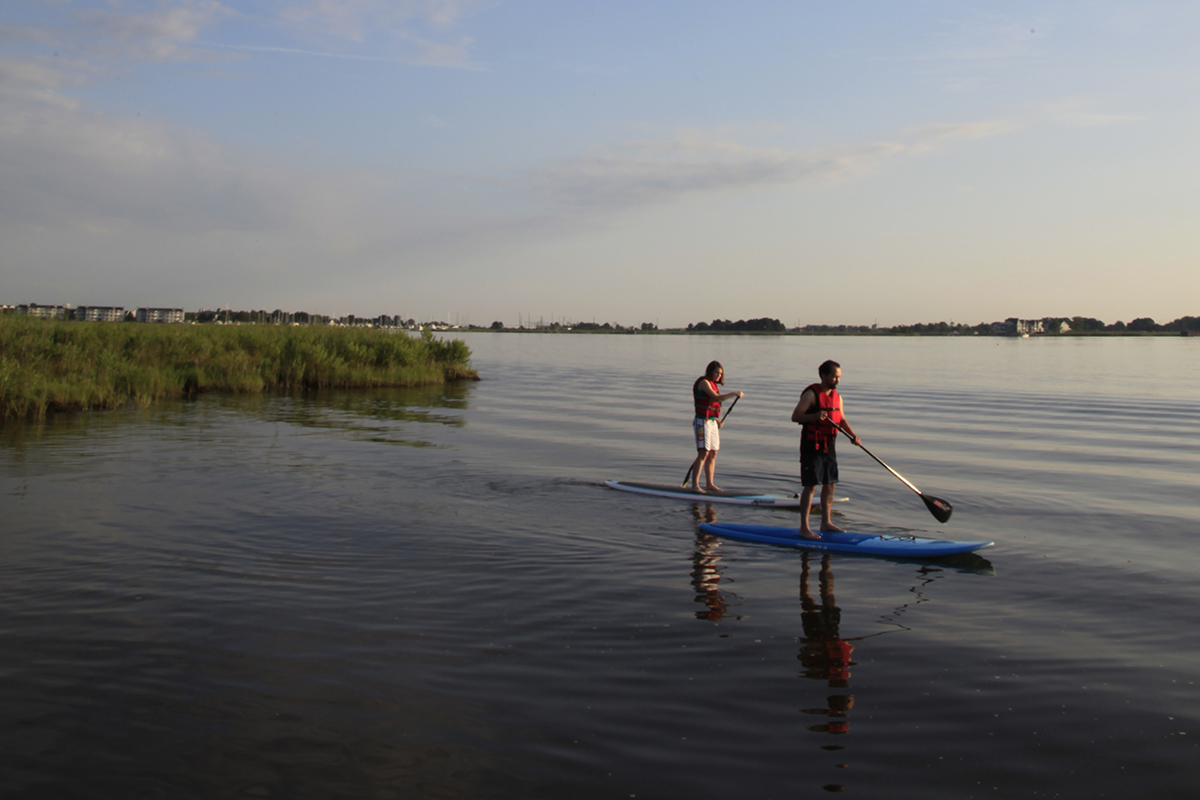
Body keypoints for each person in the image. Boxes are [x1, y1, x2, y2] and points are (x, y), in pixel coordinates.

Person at [791, 360, 860, 539]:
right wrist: (814, 415)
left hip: (829, 444)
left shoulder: (837, 397)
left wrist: (853, 435)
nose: (837, 380)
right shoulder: (811, 394)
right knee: (811, 485)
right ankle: (804, 528)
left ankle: (826, 522)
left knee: (830, 484)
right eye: (834, 376)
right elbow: (796, 416)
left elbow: (841, 419)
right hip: (811, 444)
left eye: (839, 377)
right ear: (824, 376)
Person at [688, 361, 743, 493]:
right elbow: (716, 398)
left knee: (713, 453)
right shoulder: (704, 383)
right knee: (704, 452)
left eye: (720, 374)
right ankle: (695, 485)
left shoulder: (714, 385)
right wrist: (734, 393)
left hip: (711, 422)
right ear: (710, 372)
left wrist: (717, 420)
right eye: (716, 373)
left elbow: (715, 405)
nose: (718, 376)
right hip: (702, 422)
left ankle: (709, 484)